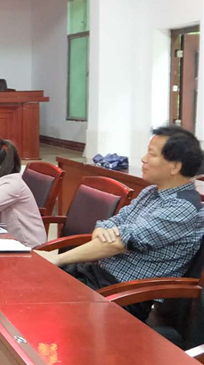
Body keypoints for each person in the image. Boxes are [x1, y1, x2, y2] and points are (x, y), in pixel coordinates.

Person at [37, 126, 204, 320]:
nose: (143, 159)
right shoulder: (151, 192)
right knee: (34, 275)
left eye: (152, 154)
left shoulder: (183, 207)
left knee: (41, 299)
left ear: (175, 166)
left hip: (124, 295)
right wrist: (104, 230)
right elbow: (113, 223)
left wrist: (58, 259)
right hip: (99, 276)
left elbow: (118, 243)